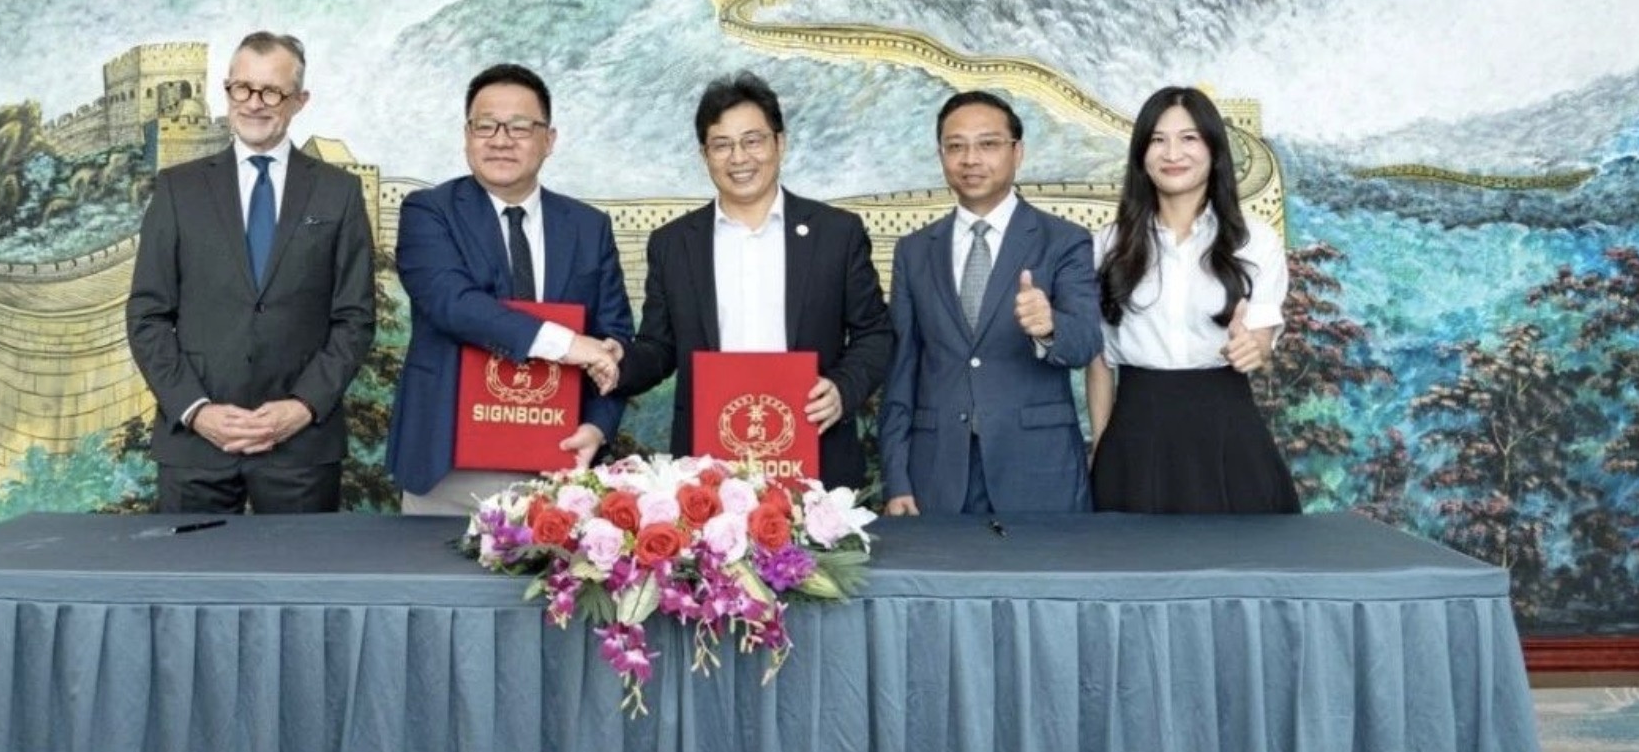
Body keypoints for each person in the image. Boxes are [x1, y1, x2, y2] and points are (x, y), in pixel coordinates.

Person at [127, 31, 376, 513]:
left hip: (302, 447)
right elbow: (147, 315)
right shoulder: (178, 189)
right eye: (242, 88)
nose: (254, 103)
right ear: (227, 91)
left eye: (272, 92)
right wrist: (196, 411)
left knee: (298, 567)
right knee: (188, 566)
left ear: (300, 100)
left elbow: (355, 318)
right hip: (195, 446)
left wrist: (302, 406)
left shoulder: (338, 192)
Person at [607, 72, 892, 492]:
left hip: (815, 458)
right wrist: (620, 361)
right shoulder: (673, 244)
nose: (739, 158)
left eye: (753, 141)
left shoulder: (836, 233)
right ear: (705, 154)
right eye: (722, 145)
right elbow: (660, 347)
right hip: (708, 470)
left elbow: (875, 333)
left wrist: (842, 389)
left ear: (780, 143)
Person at [388, 64, 631, 514]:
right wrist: (568, 344)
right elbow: (453, 304)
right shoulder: (428, 211)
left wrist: (598, 428)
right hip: (448, 468)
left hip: (560, 466)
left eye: (519, 127)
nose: (500, 140)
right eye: (486, 126)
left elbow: (614, 338)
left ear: (549, 140)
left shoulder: (588, 227)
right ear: (467, 135)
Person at [879, 91, 1103, 515]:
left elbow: (1086, 343)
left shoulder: (1063, 240)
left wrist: (1050, 326)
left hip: (1038, 468)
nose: (970, 159)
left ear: (1017, 152)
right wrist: (896, 477)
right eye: (956, 146)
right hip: (938, 472)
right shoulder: (914, 251)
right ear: (941, 156)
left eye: (987, 144)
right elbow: (902, 369)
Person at [1085, 86, 1298, 513]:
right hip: (1135, 431)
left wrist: (1252, 347)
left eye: (1189, 138)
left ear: (1213, 150)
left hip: (1226, 430)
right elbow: (1099, 361)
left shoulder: (1255, 241)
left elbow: (1260, 336)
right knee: (1136, 552)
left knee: (1239, 553)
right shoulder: (1108, 244)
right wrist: (1103, 447)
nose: (1172, 153)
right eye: (1157, 140)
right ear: (1141, 155)